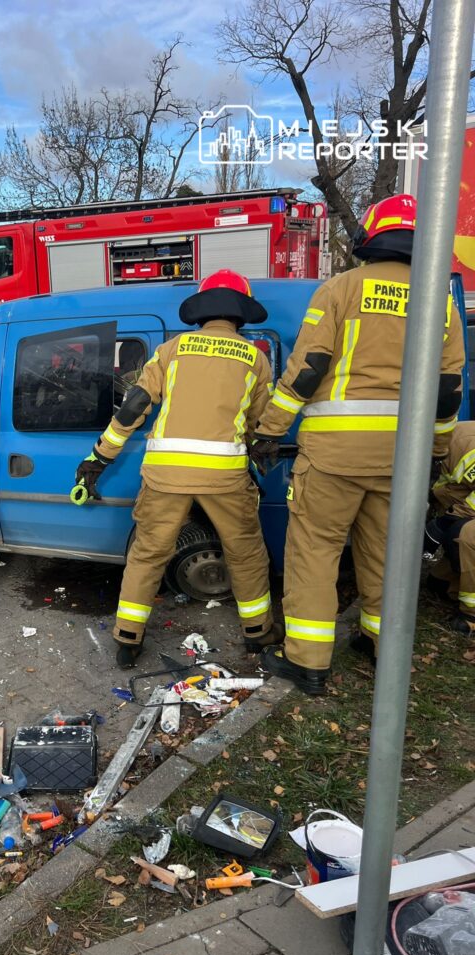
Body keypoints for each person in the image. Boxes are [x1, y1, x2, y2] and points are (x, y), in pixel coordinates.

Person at [251, 194, 465, 696]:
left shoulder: (340, 289)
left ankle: (308, 662)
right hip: (402, 457)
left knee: (315, 553)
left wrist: (270, 429)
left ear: (373, 235)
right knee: (387, 553)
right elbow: (448, 389)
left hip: (334, 455)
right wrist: (435, 453)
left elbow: (307, 370)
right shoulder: (441, 301)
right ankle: (381, 642)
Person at [75, 269, 283, 669]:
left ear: (202, 310)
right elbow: (262, 424)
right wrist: (260, 450)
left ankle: (128, 638)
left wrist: (99, 457)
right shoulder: (255, 358)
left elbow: (134, 406)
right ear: (241, 313)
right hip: (224, 476)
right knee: (244, 552)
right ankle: (258, 633)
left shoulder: (172, 350)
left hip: (165, 474)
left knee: (148, 553)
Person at [426, 420, 475, 636]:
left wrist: (446, 522)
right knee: (438, 584)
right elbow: (449, 490)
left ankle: (471, 616)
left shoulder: (465, 446)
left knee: (465, 535)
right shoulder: (439, 448)